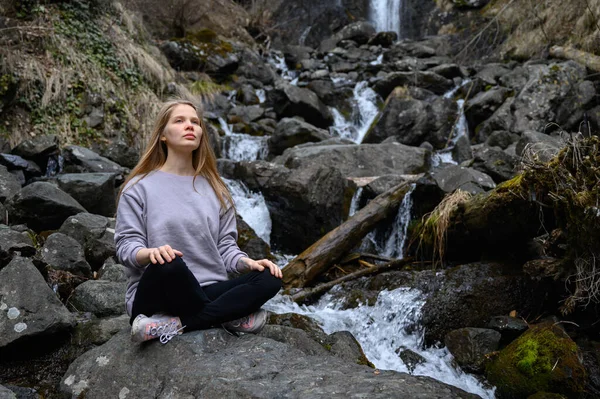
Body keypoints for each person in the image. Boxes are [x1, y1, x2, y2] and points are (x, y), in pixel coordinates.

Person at [114, 99, 283, 345]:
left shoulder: (216, 189)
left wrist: (247, 262)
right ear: (163, 134)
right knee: (170, 262)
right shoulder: (139, 187)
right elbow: (125, 247)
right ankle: (227, 314)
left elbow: (225, 247)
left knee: (270, 277)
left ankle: (179, 324)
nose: (190, 126)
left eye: (195, 122)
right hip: (157, 292)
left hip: (207, 289)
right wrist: (151, 254)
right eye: (180, 121)